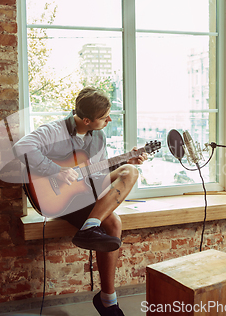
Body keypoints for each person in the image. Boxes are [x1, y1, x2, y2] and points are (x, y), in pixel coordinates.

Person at [13, 86, 147, 316]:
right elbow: (20, 147)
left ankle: (106, 297)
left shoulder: (99, 136)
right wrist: (56, 170)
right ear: (86, 119)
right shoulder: (54, 130)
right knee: (113, 224)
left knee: (129, 174)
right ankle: (107, 297)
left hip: (85, 191)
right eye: (105, 117)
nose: (109, 120)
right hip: (56, 198)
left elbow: (97, 173)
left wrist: (128, 159)